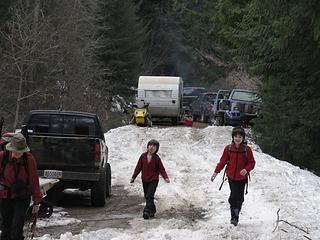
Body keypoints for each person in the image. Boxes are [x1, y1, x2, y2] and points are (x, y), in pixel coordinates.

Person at [0, 133, 42, 240]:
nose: (17, 154)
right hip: (5, 196)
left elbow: (34, 180)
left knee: (16, 227)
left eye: (20, 152)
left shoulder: (29, 160)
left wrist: (37, 201)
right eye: (15, 151)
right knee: (5, 227)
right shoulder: (3, 157)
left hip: (22, 197)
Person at [210, 126, 255, 226]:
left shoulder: (247, 150)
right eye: (235, 136)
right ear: (233, 137)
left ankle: (236, 214)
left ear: (243, 138)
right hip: (231, 177)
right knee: (234, 196)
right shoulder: (228, 148)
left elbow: (252, 163)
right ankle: (234, 217)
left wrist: (246, 169)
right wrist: (215, 172)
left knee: (240, 197)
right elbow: (222, 162)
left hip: (242, 178)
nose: (237, 138)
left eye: (240, 137)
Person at [130, 139, 170, 219]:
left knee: (149, 195)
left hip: (154, 180)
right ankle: (153, 210)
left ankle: (146, 211)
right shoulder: (143, 156)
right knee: (147, 196)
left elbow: (161, 169)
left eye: (154, 146)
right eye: (150, 145)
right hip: (145, 179)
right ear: (148, 146)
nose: (152, 147)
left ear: (156, 149)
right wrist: (133, 177)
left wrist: (165, 177)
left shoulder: (157, 158)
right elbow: (138, 167)